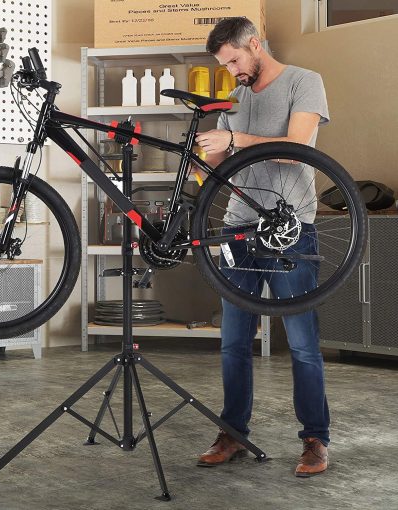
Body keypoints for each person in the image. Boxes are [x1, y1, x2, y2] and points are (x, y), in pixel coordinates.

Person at [194, 17, 330, 477]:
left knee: (302, 343)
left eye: (234, 59)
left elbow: (296, 149)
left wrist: (235, 139)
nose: (231, 70)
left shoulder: (304, 82)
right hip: (238, 229)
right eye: (223, 64)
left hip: (290, 228)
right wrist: (206, 150)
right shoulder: (231, 100)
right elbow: (213, 168)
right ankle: (232, 433)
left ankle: (315, 439)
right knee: (233, 342)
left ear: (254, 44)